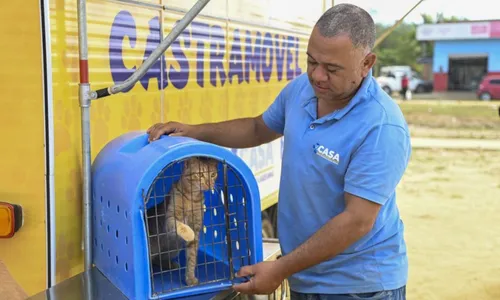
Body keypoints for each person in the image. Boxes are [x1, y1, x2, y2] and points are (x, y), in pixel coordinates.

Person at [148, 3, 411, 300]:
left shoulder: (381, 127)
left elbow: (357, 220)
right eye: (311, 62)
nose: (318, 76)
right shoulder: (301, 90)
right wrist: (194, 131)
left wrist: (281, 268)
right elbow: (258, 128)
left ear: (367, 63)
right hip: (305, 278)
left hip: (360, 287)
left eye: (332, 68)